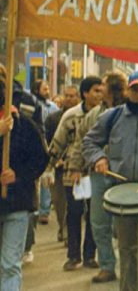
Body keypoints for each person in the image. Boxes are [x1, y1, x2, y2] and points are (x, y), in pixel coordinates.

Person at [83, 70, 138, 291]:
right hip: (121, 195)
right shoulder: (111, 117)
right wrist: (99, 158)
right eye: (135, 89)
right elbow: (88, 142)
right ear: (127, 90)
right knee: (126, 248)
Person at [72, 71, 127, 284]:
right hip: (98, 174)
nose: (99, 88)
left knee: (123, 225)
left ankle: (130, 264)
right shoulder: (94, 114)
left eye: (103, 84)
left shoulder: (130, 112)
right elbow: (81, 140)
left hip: (125, 175)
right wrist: (77, 166)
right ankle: (107, 265)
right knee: (98, 222)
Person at [46, 76, 103, 271]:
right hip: (74, 172)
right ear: (85, 93)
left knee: (94, 214)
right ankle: (73, 256)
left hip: (96, 170)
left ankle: (90, 255)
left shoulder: (106, 115)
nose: (99, 94)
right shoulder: (71, 116)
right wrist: (48, 168)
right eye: (95, 90)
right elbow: (58, 142)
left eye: (101, 90)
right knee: (75, 212)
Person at [0, 74, 49, 291]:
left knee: (10, 264)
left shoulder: (24, 126)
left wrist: (18, 175)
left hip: (16, 203)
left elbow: (40, 159)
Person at [43, 85, 80, 243]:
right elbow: (49, 141)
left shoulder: (82, 117)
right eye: (67, 95)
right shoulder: (53, 119)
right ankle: (62, 226)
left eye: (73, 96)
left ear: (78, 97)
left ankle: (68, 232)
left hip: (75, 167)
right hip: (57, 167)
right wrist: (53, 160)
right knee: (59, 201)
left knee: (74, 202)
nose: (70, 99)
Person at [30, 79, 58, 226]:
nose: (47, 92)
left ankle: (44, 211)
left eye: (48, 89)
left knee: (46, 179)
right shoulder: (30, 104)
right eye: (44, 89)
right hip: (33, 145)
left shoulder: (52, 107)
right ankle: (34, 210)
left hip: (47, 144)